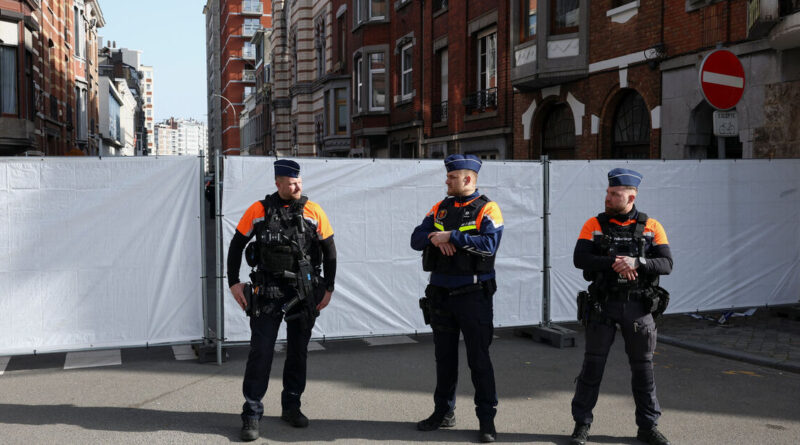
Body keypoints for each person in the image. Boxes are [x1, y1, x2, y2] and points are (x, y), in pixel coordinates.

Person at [227, 159, 336, 442]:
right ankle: (251, 413)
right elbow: (237, 244)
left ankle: (292, 405)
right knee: (261, 352)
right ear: (278, 183)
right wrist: (233, 282)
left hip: (303, 292)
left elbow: (330, 251)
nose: (298, 186)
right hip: (268, 293)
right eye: (291, 183)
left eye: (299, 181)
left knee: (298, 353)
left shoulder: (314, 210)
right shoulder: (259, 210)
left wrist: (329, 288)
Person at [569, 168, 673, 445]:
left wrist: (637, 263)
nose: (608, 197)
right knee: (592, 368)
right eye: (608, 192)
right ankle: (581, 424)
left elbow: (667, 264)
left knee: (643, 369)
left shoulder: (652, 226)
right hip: (603, 305)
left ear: (631, 195)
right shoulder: (594, 224)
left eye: (614, 194)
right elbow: (580, 258)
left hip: (638, 308)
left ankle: (648, 427)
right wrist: (618, 261)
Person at [411, 154, 504, 443]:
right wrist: (434, 238)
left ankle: (486, 420)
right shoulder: (440, 207)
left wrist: (451, 236)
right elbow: (416, 238)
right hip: (441, 296)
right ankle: (443, 412)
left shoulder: (488, 208)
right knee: (445, 359)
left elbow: (490, 245)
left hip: (473, 296)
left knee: (479, 360)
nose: (446, 181)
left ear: (467, 179)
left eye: (451, 177)